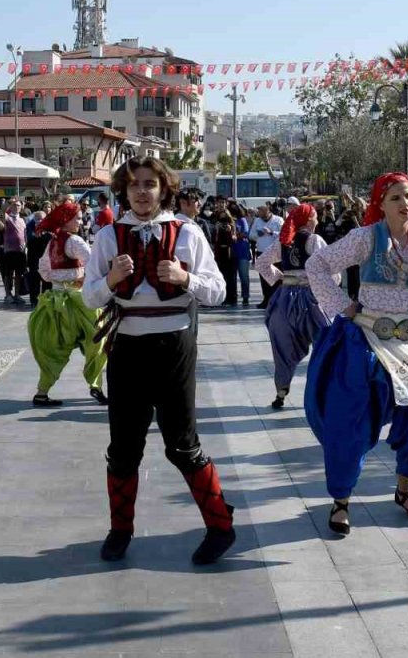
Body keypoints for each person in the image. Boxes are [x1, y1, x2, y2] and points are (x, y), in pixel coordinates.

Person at [303, 173, 408, 534]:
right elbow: (316, 265)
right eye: (396, 197)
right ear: (380, 203)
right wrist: (342, 305)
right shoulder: (365, 238)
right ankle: (341, 501)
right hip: (365, 340)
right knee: (351, 420)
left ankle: (404, 489)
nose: (405, 204)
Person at [83, 157, 233, 565]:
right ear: (123, 190)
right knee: (124, 448)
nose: (141, 191)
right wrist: (111, 280)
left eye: (149, 184)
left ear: (163, 189)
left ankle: (221, 526)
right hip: (127, 349)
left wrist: (186, 279)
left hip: (174, 346)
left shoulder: (188, 232)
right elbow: (89, 296)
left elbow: (217, 291)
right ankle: (120, 530)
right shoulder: (108, 237)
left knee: (182, 445)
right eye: (133, 185)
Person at [29, 200, 108, 407]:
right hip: (78, 300)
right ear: (67, 220)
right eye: (78, 218)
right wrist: (81, 279)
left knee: (54, 347)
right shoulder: (75, 241)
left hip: (55, 301)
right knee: (96, 340)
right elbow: (95, 263)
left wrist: (58, 280)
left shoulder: (52, 242)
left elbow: (44, 272)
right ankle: (96, 386)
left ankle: (42, 392)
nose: (80, 222)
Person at [255, 203, 329, 409]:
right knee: (325, 344)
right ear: (308, 220)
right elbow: (330, 270)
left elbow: (261, 263)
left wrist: (280, 277)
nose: (317, 220)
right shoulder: (315, 240)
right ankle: (322, 392)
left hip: (285, 299)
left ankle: (281, 391)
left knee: (282, 347)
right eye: (315, 216)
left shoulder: (283, 241)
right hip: (310, 300)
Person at [0, 200, 28, 304]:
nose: (16, 207)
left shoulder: (23, 219)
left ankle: (17, 295)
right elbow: (2, 213)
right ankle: (8, 294)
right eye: (14, 205)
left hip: (21, 250)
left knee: (18, 274)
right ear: (11, 207)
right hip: (9, 250)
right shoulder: (7, 218)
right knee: (8, 274)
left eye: (18, 205)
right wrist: (6, 205)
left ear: (21, 207)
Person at [231, 202, 252, 306]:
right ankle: (233, 296)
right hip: (232, 252)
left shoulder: (242, 220)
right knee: (232, 277)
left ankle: (245, 296)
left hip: (243, 252)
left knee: (244, 276)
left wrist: (235, 235)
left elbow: (245, 233)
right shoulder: (230, 220)